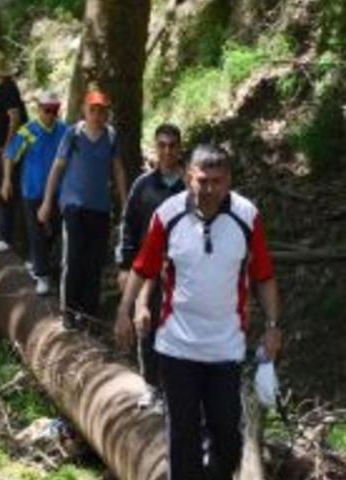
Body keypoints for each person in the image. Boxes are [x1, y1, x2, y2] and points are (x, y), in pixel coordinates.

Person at [114, 144, 282, 480]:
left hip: (226, 349)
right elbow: (143, 266)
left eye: (217, 182)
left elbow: (263, 276)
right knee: (183, 436)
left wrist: (273, 325)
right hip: (177, 346)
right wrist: (126, 310)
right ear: (189, 176)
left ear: (229, 180)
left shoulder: (246, 216)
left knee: (227, 437)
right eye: (202, 181)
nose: (209, 190)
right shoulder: (168, 214)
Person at [38, 90, 127, 323]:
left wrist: (125, 202)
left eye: (102, 111)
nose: (97, 115)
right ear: (84, 111)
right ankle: (68, 311)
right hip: (73, 206)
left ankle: (87, 314)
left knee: (94, 262)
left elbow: (117, 169)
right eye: (93, 110)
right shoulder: (73, 135)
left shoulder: (110, 136)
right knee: (74, 258)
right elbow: (57, 168)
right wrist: (47, 202)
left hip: (100, 208)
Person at [115, 123, 185, 408]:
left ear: (180, 148)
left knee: (177, 328)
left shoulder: (190, 187)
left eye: (172, 145)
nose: (167, 151)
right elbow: (128, 226)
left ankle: (176, 389)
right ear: (155, 148)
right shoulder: (143, 186)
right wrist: (124, 265)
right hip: (146, 269)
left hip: (182, 271)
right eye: (162, 145)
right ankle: (150, 384)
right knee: (146, 324)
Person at [2, 90, 67, 295]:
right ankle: (42, 276)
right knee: (36, 232)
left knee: (55, 230)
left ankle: (36, 260)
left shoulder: (65, 130)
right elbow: (10, 155)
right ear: (39, 110)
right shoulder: (28, 131)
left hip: (57, 192)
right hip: (32, 191)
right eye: (47, 110)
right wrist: (6, 181)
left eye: (54, 111)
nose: (50, 115)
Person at [0, 49, 27, 251]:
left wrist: (8, 145)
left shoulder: (8, 89)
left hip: (3, 147)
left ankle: (6, 237)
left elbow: (15, 118)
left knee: (5, 190)